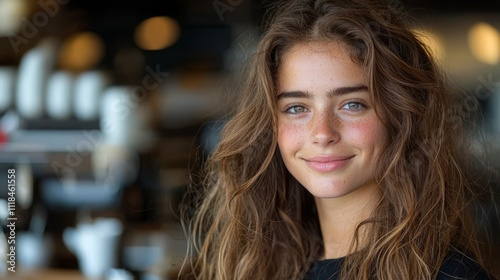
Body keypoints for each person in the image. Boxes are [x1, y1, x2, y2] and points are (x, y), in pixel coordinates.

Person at [178, 0, 498, 279]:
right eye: (296, 107)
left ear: (402, 119)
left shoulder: (453, 276)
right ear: (269, 125)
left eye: (352, 104)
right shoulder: (262, 268)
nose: (322, 133)